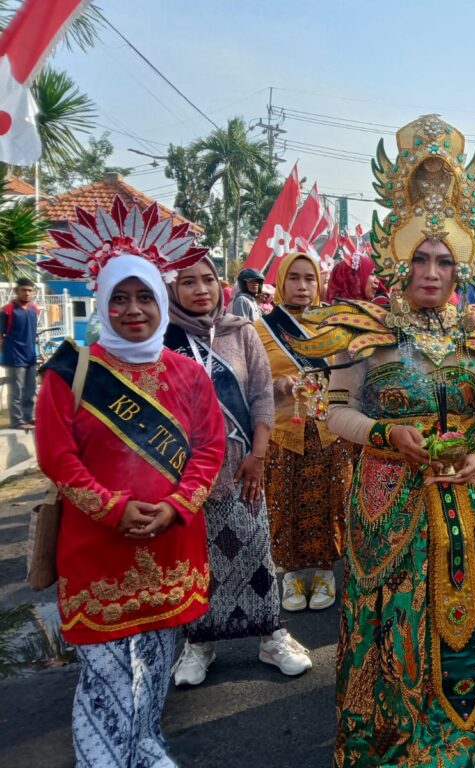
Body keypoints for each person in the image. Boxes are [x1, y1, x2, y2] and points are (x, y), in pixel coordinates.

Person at [288, 115, 475, 766]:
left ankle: (467, 743)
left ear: (461, 265)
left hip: (465, 493)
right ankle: (391, 747)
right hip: (386, 497)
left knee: (471, 613)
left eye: (443, 259)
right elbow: (334, 409)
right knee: (394, 617)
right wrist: (384, 433)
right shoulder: (363, 328)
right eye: (420, 257)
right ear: (398, 257)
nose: (431, 269)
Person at [33, 198, 226, 767]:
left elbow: (209, 448)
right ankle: (102, 758)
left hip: (172, 540)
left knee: (155, 663)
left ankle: (146, 748)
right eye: (120, 297)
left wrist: (174, 507)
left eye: (145, 296)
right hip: (97, 550)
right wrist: (114, 508)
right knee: (104, 674)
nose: (134, 309)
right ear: (102, 302)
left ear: (161, 301)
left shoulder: (190, 374)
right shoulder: (69, 373)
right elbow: (58, 458)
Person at [165, 257, 312, 686]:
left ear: (220, 284)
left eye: (208, 279)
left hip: (243, 465)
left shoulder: (240, 331)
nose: (200, 289)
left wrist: (259, 455)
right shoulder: (164, 338)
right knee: (200, 562)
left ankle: (271, 635)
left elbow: (262, 395)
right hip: (187, 474)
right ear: (172, 290)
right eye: (187, 281)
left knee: (254, 550)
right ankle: (197, 644)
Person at [256, 251, 352, 612]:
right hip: (285, 432)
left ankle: (326, 573)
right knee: (284, 504)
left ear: (319, 282)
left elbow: (350, 377)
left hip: (330, 432)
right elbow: (249, 380)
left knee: (330, 503)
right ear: (281, 282)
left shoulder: (334, 326)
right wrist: (275, 383)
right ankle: (291, 576)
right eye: (294, 278)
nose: (302, 286)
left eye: (309, 278)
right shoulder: (261, 329)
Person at [1, 276, 39, 429]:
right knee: (16, 390)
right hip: (14, 356)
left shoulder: (34, 309)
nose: (27, 293)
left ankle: (29, 417)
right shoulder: (7, 310)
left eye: (30, 290)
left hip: (30, 355)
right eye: (24, 290)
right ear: (16, 291)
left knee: (30, 389)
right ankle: (17, 421)